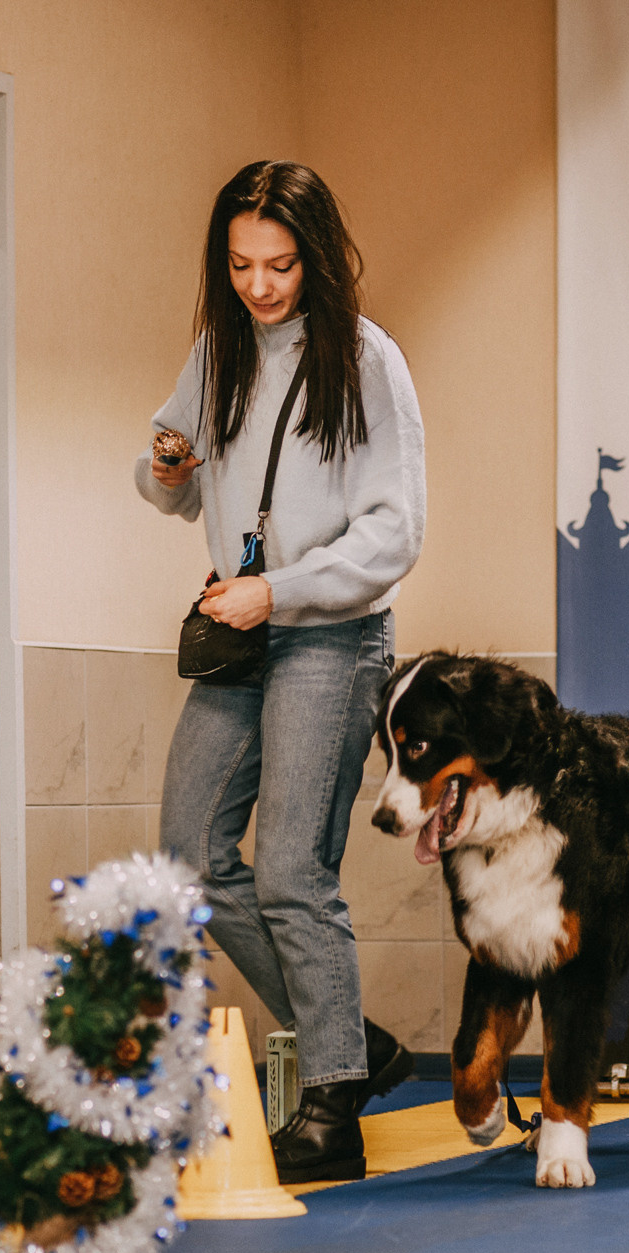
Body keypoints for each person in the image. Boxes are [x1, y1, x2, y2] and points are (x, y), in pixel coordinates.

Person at [136, 160, 425, 1181]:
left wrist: (283, 590)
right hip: (241, 629)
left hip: (331, 635)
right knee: (188, 860)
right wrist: (166, 469)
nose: (259, 285)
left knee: (293, 871)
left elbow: (396, 533)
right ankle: (357, 1044)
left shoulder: (367, 360)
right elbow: (175, 483)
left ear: (318, 258)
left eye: (281, 264)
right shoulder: (218, 353)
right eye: (240, 264)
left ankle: (333, 1106)